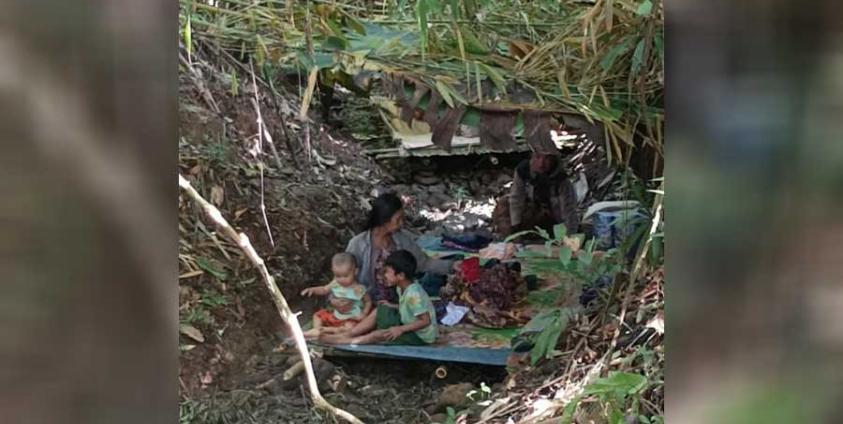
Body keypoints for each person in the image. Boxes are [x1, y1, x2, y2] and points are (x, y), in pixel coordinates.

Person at [335, 193, 455, 315]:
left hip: (399, 302)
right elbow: (343, 274)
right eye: (398, 219)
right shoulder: (358, 244)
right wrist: (335, 299)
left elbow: (423, 263)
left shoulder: (402, 240)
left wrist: (452, 266)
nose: (402, 223)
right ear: (383, 220)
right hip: (368, 303)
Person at [319, 250, 438, 345]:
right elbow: (410, 308)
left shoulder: (414, 294)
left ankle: (348, 341)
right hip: (409, 324)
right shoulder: (402, 287)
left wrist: (400, 329)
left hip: (420, 336)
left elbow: (425, 321)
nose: (384, 275)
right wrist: (393, 306)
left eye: (387, 272)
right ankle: (350, 333)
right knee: (380, 308)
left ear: (401, 275)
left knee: (381, 334)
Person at [493, 151, 579, 236]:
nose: (541, 163)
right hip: (533, 210)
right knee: (504, 204)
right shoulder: (523, 171)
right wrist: (516, 226)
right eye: (538, 157)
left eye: (547, 159)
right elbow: (516, 197)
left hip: (553, 218)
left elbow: (569, 211)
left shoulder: (561, 180)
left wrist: (569, 236)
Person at [299, 253, 372, 339]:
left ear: (355, 272)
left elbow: (368, 301)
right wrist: (312, 290)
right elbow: (324, 289)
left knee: (351, 328)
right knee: (317, 315)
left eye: (345, 276)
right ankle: (317, 330)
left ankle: (328, 330)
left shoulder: (358, 289)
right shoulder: (335, 284)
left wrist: (364, 313)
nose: (341, 279)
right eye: (337, 276)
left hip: (351, 317)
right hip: (335, 315)